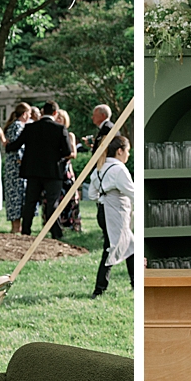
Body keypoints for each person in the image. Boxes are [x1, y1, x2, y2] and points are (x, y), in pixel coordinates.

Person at [5, 101, 71, 239]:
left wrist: (7, 145)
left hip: (33, 171)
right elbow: (67, 151)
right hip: (53, 171)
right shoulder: (60, 129)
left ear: (42, 112)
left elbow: (16, 145)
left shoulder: (30, 127)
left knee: (30, 201)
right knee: (52, 203)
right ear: (55, 113)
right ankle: (56, 232)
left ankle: (26, 230)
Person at [90, 135, 134, 297]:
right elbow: (132, 192)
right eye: (127, 151)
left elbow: (92, 194)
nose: (128, 155)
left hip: (103, 211)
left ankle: (135, 282)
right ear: (120, 151)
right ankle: (99, 288)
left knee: (130, 246)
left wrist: (106, 196)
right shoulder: (119, 169)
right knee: (111, 248)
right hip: (116, 212)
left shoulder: (99, 168)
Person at [91, 104, 115, 266]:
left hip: (103, 169)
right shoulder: (104, 128)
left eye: (94, 115)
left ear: (102, 115)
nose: (92, 118)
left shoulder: (109, 128)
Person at [2, 103, 30, 233]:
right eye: (29, 113)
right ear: (24, 114)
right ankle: (15, 228)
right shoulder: (18, 127)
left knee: (18, 196)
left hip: (14, 167)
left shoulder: (15, 126)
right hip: (16, 168)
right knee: (16, 196)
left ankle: (17, 227)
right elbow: (17, 147)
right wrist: (21, 162)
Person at [56, 108, 82, 233]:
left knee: (71, 196)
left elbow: (73, 154)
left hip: (66, 169)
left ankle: (74, 224)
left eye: (60, 118)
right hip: (55, 169)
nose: (58, 120)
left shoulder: (69, 135)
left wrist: (61, 154)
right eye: (57, 117)